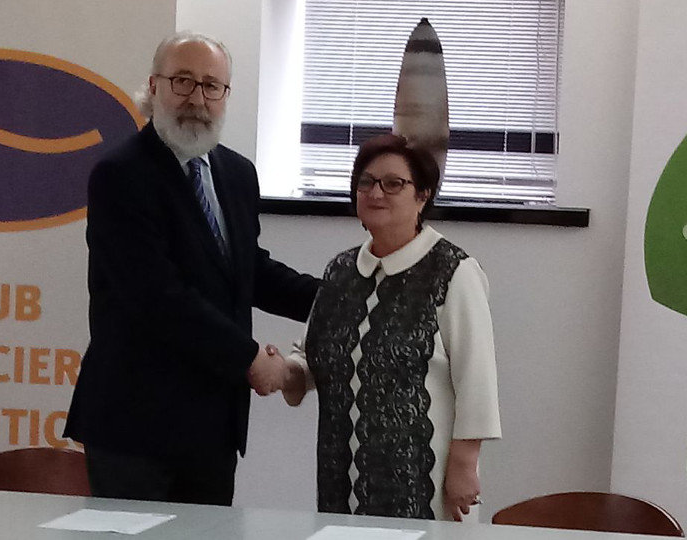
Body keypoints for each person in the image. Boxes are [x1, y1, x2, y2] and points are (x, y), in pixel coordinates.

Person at [63, 31, 318, 505]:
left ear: (225, 95)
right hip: (134, 428)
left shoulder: (237, 173)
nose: (197, 99)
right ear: (153, 86)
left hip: (212, 427)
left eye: (211, 85)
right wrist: (249, 358)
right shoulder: (120, 175)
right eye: (183, 81)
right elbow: (157, 296)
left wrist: (336, 300)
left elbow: (248, 270)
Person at [281, 134, 501, 522]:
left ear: (422, 196)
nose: (376, 193)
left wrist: (465, 466)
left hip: (425, 481)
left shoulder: (453, 272)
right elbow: (311, 354)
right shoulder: (341, 271)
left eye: (393, 183)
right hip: (341, 477)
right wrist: (281, 370)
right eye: (366, 182)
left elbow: (476, 378)